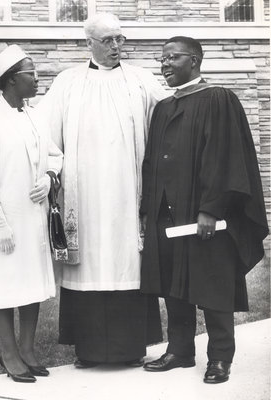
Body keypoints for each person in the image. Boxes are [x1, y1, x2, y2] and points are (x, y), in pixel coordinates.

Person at [37, 13, 166, 368]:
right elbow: (45, 133)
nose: (116, 47)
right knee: (89, 267)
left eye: (120, 39)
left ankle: (131, 348)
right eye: (107, 40)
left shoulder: (141, 80)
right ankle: (88, 351)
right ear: (88, 43)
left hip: (129, 195)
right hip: (84, 198)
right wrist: (49, 170)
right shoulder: (68, 82)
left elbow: (173, 111)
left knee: (127, 263)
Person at [140, 36, 268, 383]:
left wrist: (211, 208)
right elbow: (152, 161)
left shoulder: (219, 99)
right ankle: (180, 350)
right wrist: (147, 209)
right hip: (167, 211)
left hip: (205, 213)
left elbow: (225, 158)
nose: (164, 63)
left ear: (194, 60)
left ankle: (220, 357)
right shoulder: (164, 107)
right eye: (161, 57)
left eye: (173, 57)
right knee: (172, 283)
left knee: (213, 283)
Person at [0, 45, 63, 383]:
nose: (37, 78)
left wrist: (49, 178)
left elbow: (55, 155)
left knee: (32, 283)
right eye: (31, 73)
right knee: (6, 282)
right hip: (3, 220)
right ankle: (8, 352)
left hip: (33, 216)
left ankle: (28, 348)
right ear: (10, 81)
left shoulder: (35, 115)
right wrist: (0, 225)